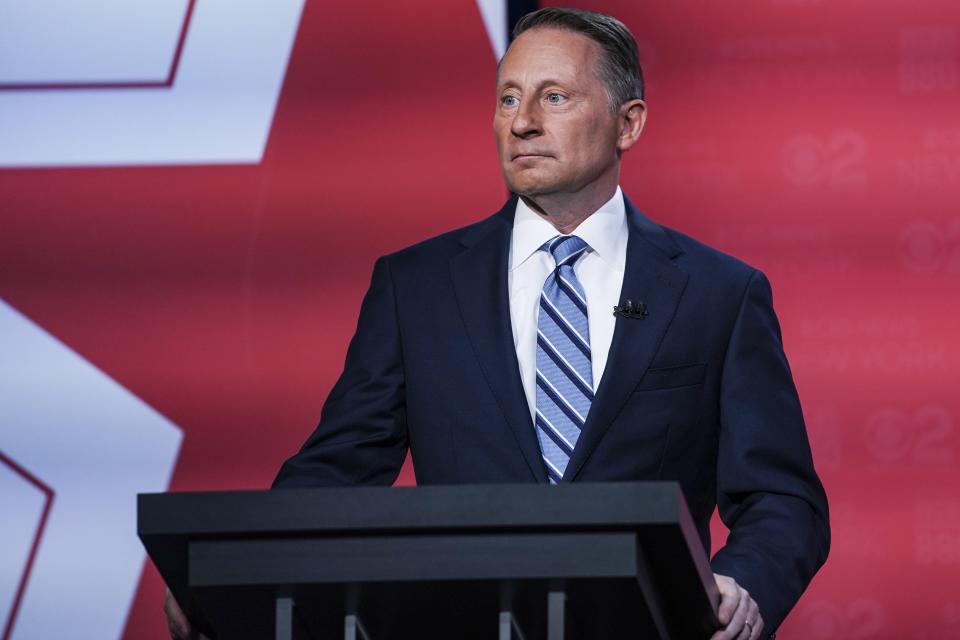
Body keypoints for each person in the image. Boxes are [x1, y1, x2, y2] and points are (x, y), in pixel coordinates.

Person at [166, 7, 828, 639]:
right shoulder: (416, 288)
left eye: (554, 98)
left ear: (628, 124)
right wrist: (223, 575)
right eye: (508, 99)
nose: (523, 123)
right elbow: (337, 469)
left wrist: (743, 585)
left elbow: (781, 498)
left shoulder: (718, 293)